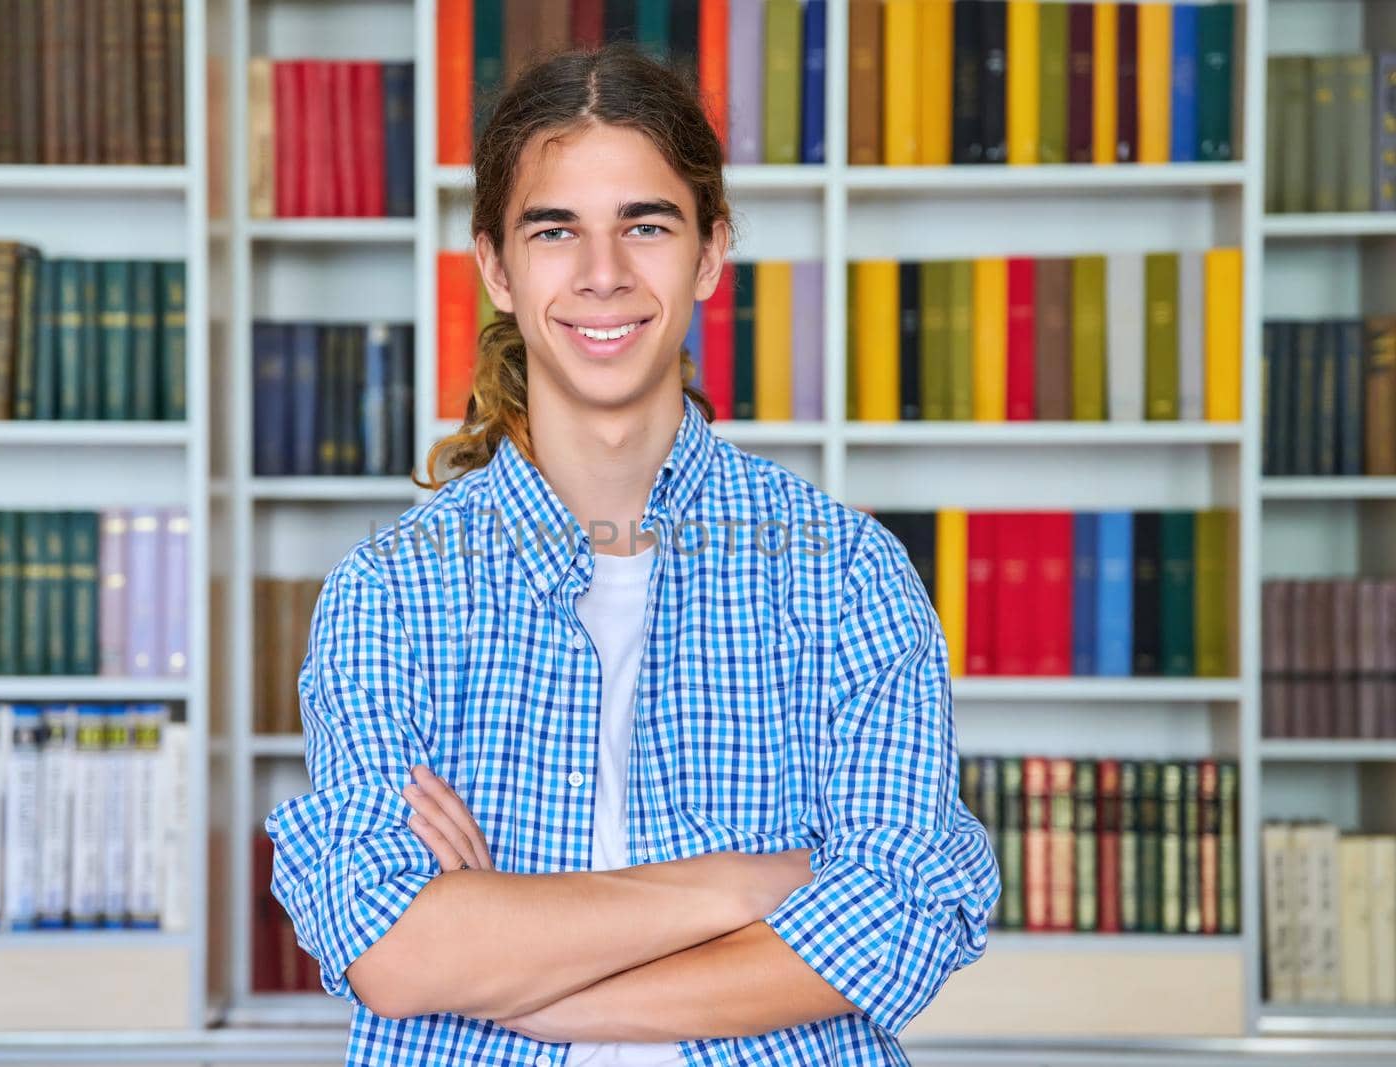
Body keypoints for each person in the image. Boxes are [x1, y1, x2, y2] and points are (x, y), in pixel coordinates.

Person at [264, 42, 1000, 1067]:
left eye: (644, 226)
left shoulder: (844, 572)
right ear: (495, 268)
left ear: (707, 253)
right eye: (554, 229)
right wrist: (741, 883)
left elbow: (901, 918)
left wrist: (514, 967)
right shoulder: (389, 593)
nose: (602, 275)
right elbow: (391, 948)